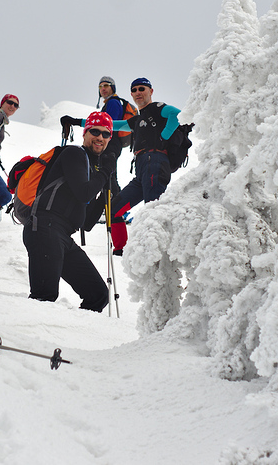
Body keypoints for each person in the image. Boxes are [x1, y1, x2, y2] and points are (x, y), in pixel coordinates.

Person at [61, 77, 181, 255]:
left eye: (142, 89)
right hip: (142, 168)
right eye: (134, 90)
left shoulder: (157, 108)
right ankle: (121, 249)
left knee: (153, 210)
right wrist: (78, 122)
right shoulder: (137, 119)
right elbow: (110, 125)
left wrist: (164, 136)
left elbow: (175, 114)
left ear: (151, 91)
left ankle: (160, 255)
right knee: (114, 209)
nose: (138, 93)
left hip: (155, 162)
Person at [23, 111, 115, 312]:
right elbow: (83, 193)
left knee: (98, 295)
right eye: (95, 131)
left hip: (63, 236)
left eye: (106, 134)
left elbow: (87, 223)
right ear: (85, 133)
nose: (100, 137)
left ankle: (71, 337)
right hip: (45, 228)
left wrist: (108, 189)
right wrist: (106, 172)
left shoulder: (91, 168)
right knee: (44, 296)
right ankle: (21, 338)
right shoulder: (73, 154)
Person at [80, 77, 136, 232]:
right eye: (100, 86)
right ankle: (116, 209)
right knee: (110, 176)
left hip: (109, 144)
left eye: (106, 86)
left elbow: (108, 125)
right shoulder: (111, 103)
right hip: (111, 143)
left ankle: (116, 209)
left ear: (113, 88)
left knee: (109, 176)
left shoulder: (112, 103)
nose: (103, 89)